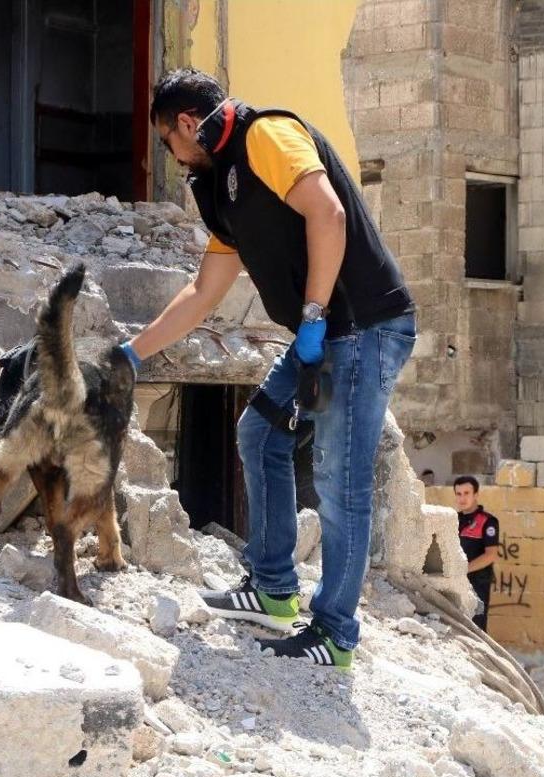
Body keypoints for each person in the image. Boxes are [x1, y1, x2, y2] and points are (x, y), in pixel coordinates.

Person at [119, 69, 416, 668]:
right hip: (326, 337)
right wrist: (133, 354)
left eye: (168, 141)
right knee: (258, 432)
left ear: (185, 123)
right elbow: (205, 291)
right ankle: (275, 589)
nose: (169, 155)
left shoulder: (267, 136)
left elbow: (327, 216)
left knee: (340, 480)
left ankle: (335, 634)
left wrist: (311, 315)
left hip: (363, 329)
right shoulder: (217, 189)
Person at [453, 475, 500, 632]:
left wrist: (463, 570)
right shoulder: (453, 520)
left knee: (476, 629)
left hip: (477, 585)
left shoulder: (488, 522)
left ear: (476, 495)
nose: (462, 498)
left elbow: (491, 555)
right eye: (458, 494)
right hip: (454, 584)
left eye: (467, 493)